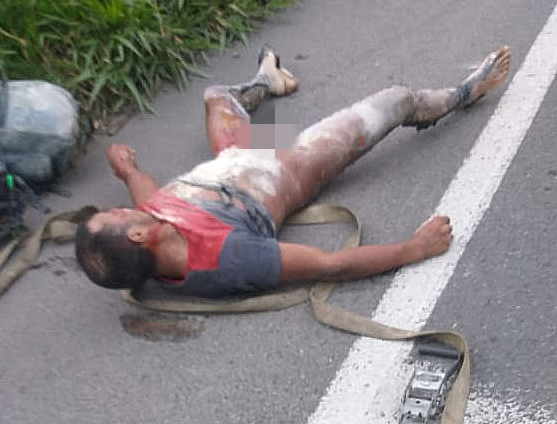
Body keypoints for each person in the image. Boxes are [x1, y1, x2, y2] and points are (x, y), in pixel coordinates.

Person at [75, 45, 511, 297]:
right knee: (396, 100)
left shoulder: (152, 224)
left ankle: (269, 81)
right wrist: (413, 249)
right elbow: (330, 265)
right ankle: (464, 94)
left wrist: (127, 170)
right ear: (139, 235)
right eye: (114, 215)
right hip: (288, 163)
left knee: (215, 96)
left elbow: (147, 196)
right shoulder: (229, 258)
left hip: (237, 152)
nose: (119, 209)